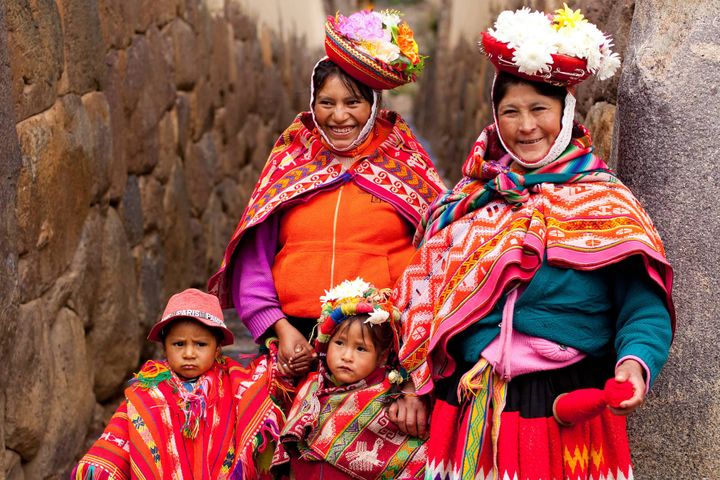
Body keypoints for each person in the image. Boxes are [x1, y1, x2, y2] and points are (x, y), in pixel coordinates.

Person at [392, 6, 675, 480]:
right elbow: (424, 298)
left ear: (564, 114)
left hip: (568, 400)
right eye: (511, 112)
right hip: (475, 397)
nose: (526, 127)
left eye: (540, 109)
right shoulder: (469, 199)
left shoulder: (604, 202)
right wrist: (412, 382)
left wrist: (635, 362)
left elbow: (642, 303)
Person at [208, 9, 445, 379]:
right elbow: (254, 257)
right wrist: (279, 329)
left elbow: (436, 257)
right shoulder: (290, 161)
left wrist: (408, 346)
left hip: (379, 344)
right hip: (293, 340)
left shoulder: (405, 164)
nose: (339, 116)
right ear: (313, 104)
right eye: (327, 103)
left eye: (353, 103)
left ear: (373, 106)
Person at [72, 288, 247, 479]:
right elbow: (124, 431)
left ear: (217, 349)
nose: (189, 354)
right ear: (164, 347)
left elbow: (255, 410)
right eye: (179, 344)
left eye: (200, 344)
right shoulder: (149, 390)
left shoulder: (231, 385)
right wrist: (100, 465)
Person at [279, 278, 426, 479]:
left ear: (382, 357)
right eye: (339, 343)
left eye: (360, 348)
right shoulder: (311, 388)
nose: (347, 356)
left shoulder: (392, 396)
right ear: (325, 344)